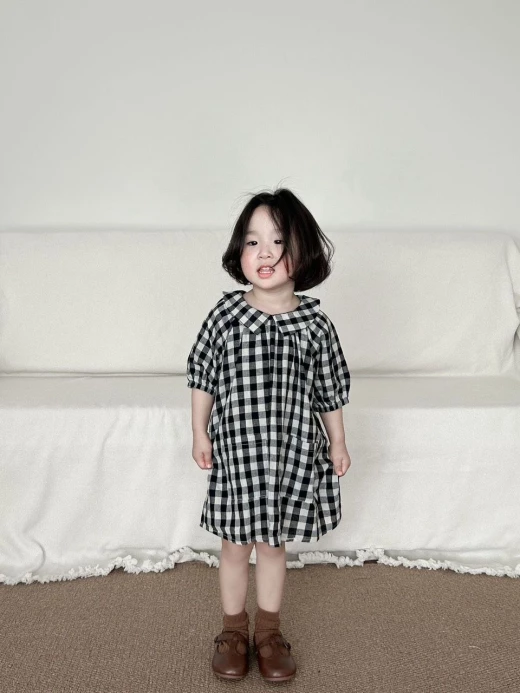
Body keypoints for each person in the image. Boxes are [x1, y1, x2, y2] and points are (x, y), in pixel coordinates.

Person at [186, 187, 352, 682]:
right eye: (252, 241)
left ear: (302, 250)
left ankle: (269, 633)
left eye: (278, 241)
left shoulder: (315, 326)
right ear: (238, 251)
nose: (264, 253)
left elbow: (329, 391)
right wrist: (199, 432)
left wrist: (338, 442)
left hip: (289, 456)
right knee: (235, 546)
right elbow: (202, 377)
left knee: (274, 547)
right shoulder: (226, 317)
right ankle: (233, 631)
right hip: (239, 457)